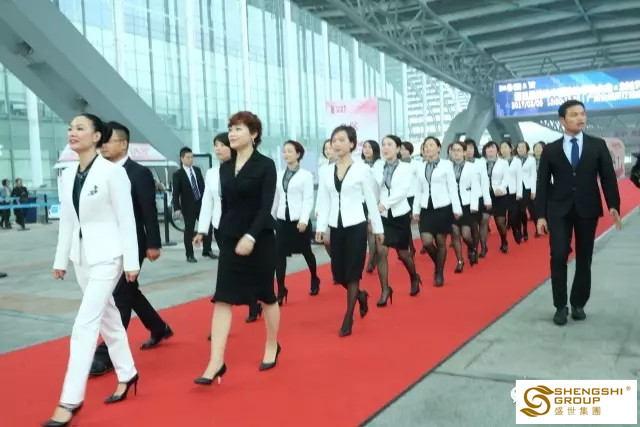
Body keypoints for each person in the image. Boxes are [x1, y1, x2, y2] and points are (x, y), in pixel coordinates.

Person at [45, 114, 140, 426]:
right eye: (70, 128)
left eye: (80, 128)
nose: (72, 133)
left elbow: (126, 219)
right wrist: (61, 259)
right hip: (81, 257)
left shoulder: (113, 173)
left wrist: (131, 261)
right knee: (109, 318)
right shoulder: (67, 174)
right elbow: (68, 221)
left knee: (85, 323)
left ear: (98, 136)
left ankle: (70, 400)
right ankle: (128, 372)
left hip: (109, 256)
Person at [195, 111, 281, 386]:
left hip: (260, 238)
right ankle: (215, 361)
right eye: (230, 129)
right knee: (223, 297)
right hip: (231, 239)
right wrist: (219, 233)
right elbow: (227, 206)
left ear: (254, 134)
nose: (232, 134)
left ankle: (272, 344)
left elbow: (266, 206)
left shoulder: (266, 165)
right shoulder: (224, 167)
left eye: (238, 129)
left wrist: (251, 236)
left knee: (266, 296)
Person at [89, 121, 173, 377]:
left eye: (108, 141)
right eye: (101, 141)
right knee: (129, 291)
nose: (103, 146)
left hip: (132, 244)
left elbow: (149, 210)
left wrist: (153, 243)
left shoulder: (139, 173)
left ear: (124, 143)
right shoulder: (99, 171)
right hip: (106, 244)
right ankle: (158, 327)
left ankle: (106, 354)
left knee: (120, 296)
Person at [536, 100, 621, 326]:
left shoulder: (597, 145)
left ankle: (578, 303)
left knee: (584, 257)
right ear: (562, 120)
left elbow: (608, 177)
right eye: (574, 115)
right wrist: (540, 215)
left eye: (582, 114)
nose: (580, 118)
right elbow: (542, 184)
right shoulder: (551, 150)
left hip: (587, 208)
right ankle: (560, 306)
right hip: (559, 210)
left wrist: (613, 205)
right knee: (559, 255)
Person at [315, 125, 384, 336]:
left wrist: (378, 228)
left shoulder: (362, 169)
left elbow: (371, 200)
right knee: (338, 272)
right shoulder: (325, 171)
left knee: (353, 272)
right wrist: (320, 227)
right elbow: (324, 200)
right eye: (334, 140)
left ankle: (348, 317)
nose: (336, 144)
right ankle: (361, 296)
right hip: (336, 226)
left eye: (341, 140)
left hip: (356, 225)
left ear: (352, 144)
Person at [372, 135, 420, 306]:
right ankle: (385, 289)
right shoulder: (378, 166)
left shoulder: (406, 168)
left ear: (398, 148)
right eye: (383, 144)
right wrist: (373, 209)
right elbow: (373, 189)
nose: (385, 147)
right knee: (381, 251)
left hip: (399, 215)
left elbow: (402, 191)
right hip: (382, 216)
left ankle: (414, 277)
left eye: (390, 144)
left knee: (403, 254)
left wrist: (384, 204)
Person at [272, 140, 319, 302]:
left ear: (298, 154)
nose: (286, 154)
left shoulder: (306, 175)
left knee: (306, 251)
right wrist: (271, 218)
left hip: (299, 222)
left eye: (289, 151)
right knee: (279, 255)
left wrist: (304, 219)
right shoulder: (279, 174)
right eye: (284, 151)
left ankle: (314, 278)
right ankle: (281, 289)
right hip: (282, 221)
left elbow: (308, 199)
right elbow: (276, 199)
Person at [412, 137, 462, 287]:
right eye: (425, 145)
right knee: (427, 242)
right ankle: (439, 264)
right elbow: (418, 190)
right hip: (426, 208)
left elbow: (452, 188)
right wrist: (416, 210)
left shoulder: (446, 165)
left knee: (441, 242)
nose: (427, 148)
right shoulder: (420, 166)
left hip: (443, 207)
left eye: (431, 145)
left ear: (439, 148)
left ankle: (439, 272)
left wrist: (457, 209)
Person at [172, 147, 214, 262]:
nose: (191, 160)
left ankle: (207, 250)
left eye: (192, 157)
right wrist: (177, 208)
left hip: (201, 204)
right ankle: (189, 255)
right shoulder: (178, 174)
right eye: (188, 157)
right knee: (189, 230)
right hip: (188, 206)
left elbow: (203, 187)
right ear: (182, 159)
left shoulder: (197, 170)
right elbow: (175, 193)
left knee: (207, 226)